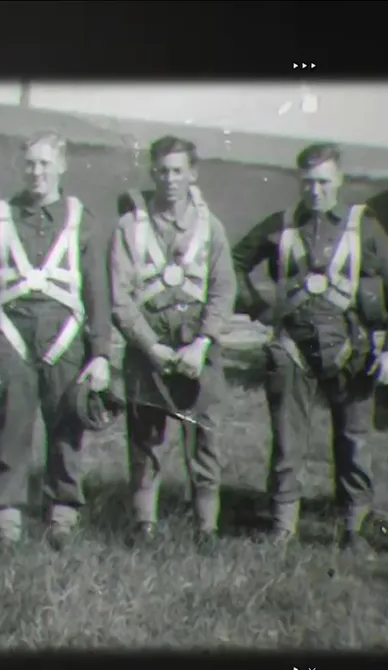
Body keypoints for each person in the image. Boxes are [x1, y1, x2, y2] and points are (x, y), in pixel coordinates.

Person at [230, 142, 388, 552]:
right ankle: (283, 527)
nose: (315, 191)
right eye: (308, 182)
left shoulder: (365, 227)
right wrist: (258, 308)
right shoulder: (280, 225)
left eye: (324, 182)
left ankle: (354, 527)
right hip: (293, 348)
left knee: (354, 441)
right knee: (288, 441)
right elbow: (234, 262)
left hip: (353, 350)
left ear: (340, 180)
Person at [0, 131, 114, 550]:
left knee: (67, 425)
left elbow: (97, 293)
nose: (37, 172)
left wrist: (101, 354)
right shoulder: (0, 217)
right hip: (10, 334)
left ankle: (63, 511)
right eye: (31, 163)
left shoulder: (82, 220)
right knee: (11, 425)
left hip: (64, 337)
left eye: (45, 164)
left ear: (61, 166)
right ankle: (6, 514)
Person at [109, 136, 237, 546]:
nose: (170, 179)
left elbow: (223, 290)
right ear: (152, 172)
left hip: (199, 347)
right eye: (162, 171)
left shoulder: (210, 227)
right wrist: (149, 346)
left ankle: (206, 528)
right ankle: (144, 526)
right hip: (148, 349)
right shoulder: (130, 227)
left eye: (178, 171)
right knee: (145, 441)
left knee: (205, 440)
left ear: (192, 174)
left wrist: (202, 343)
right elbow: (120, 298)